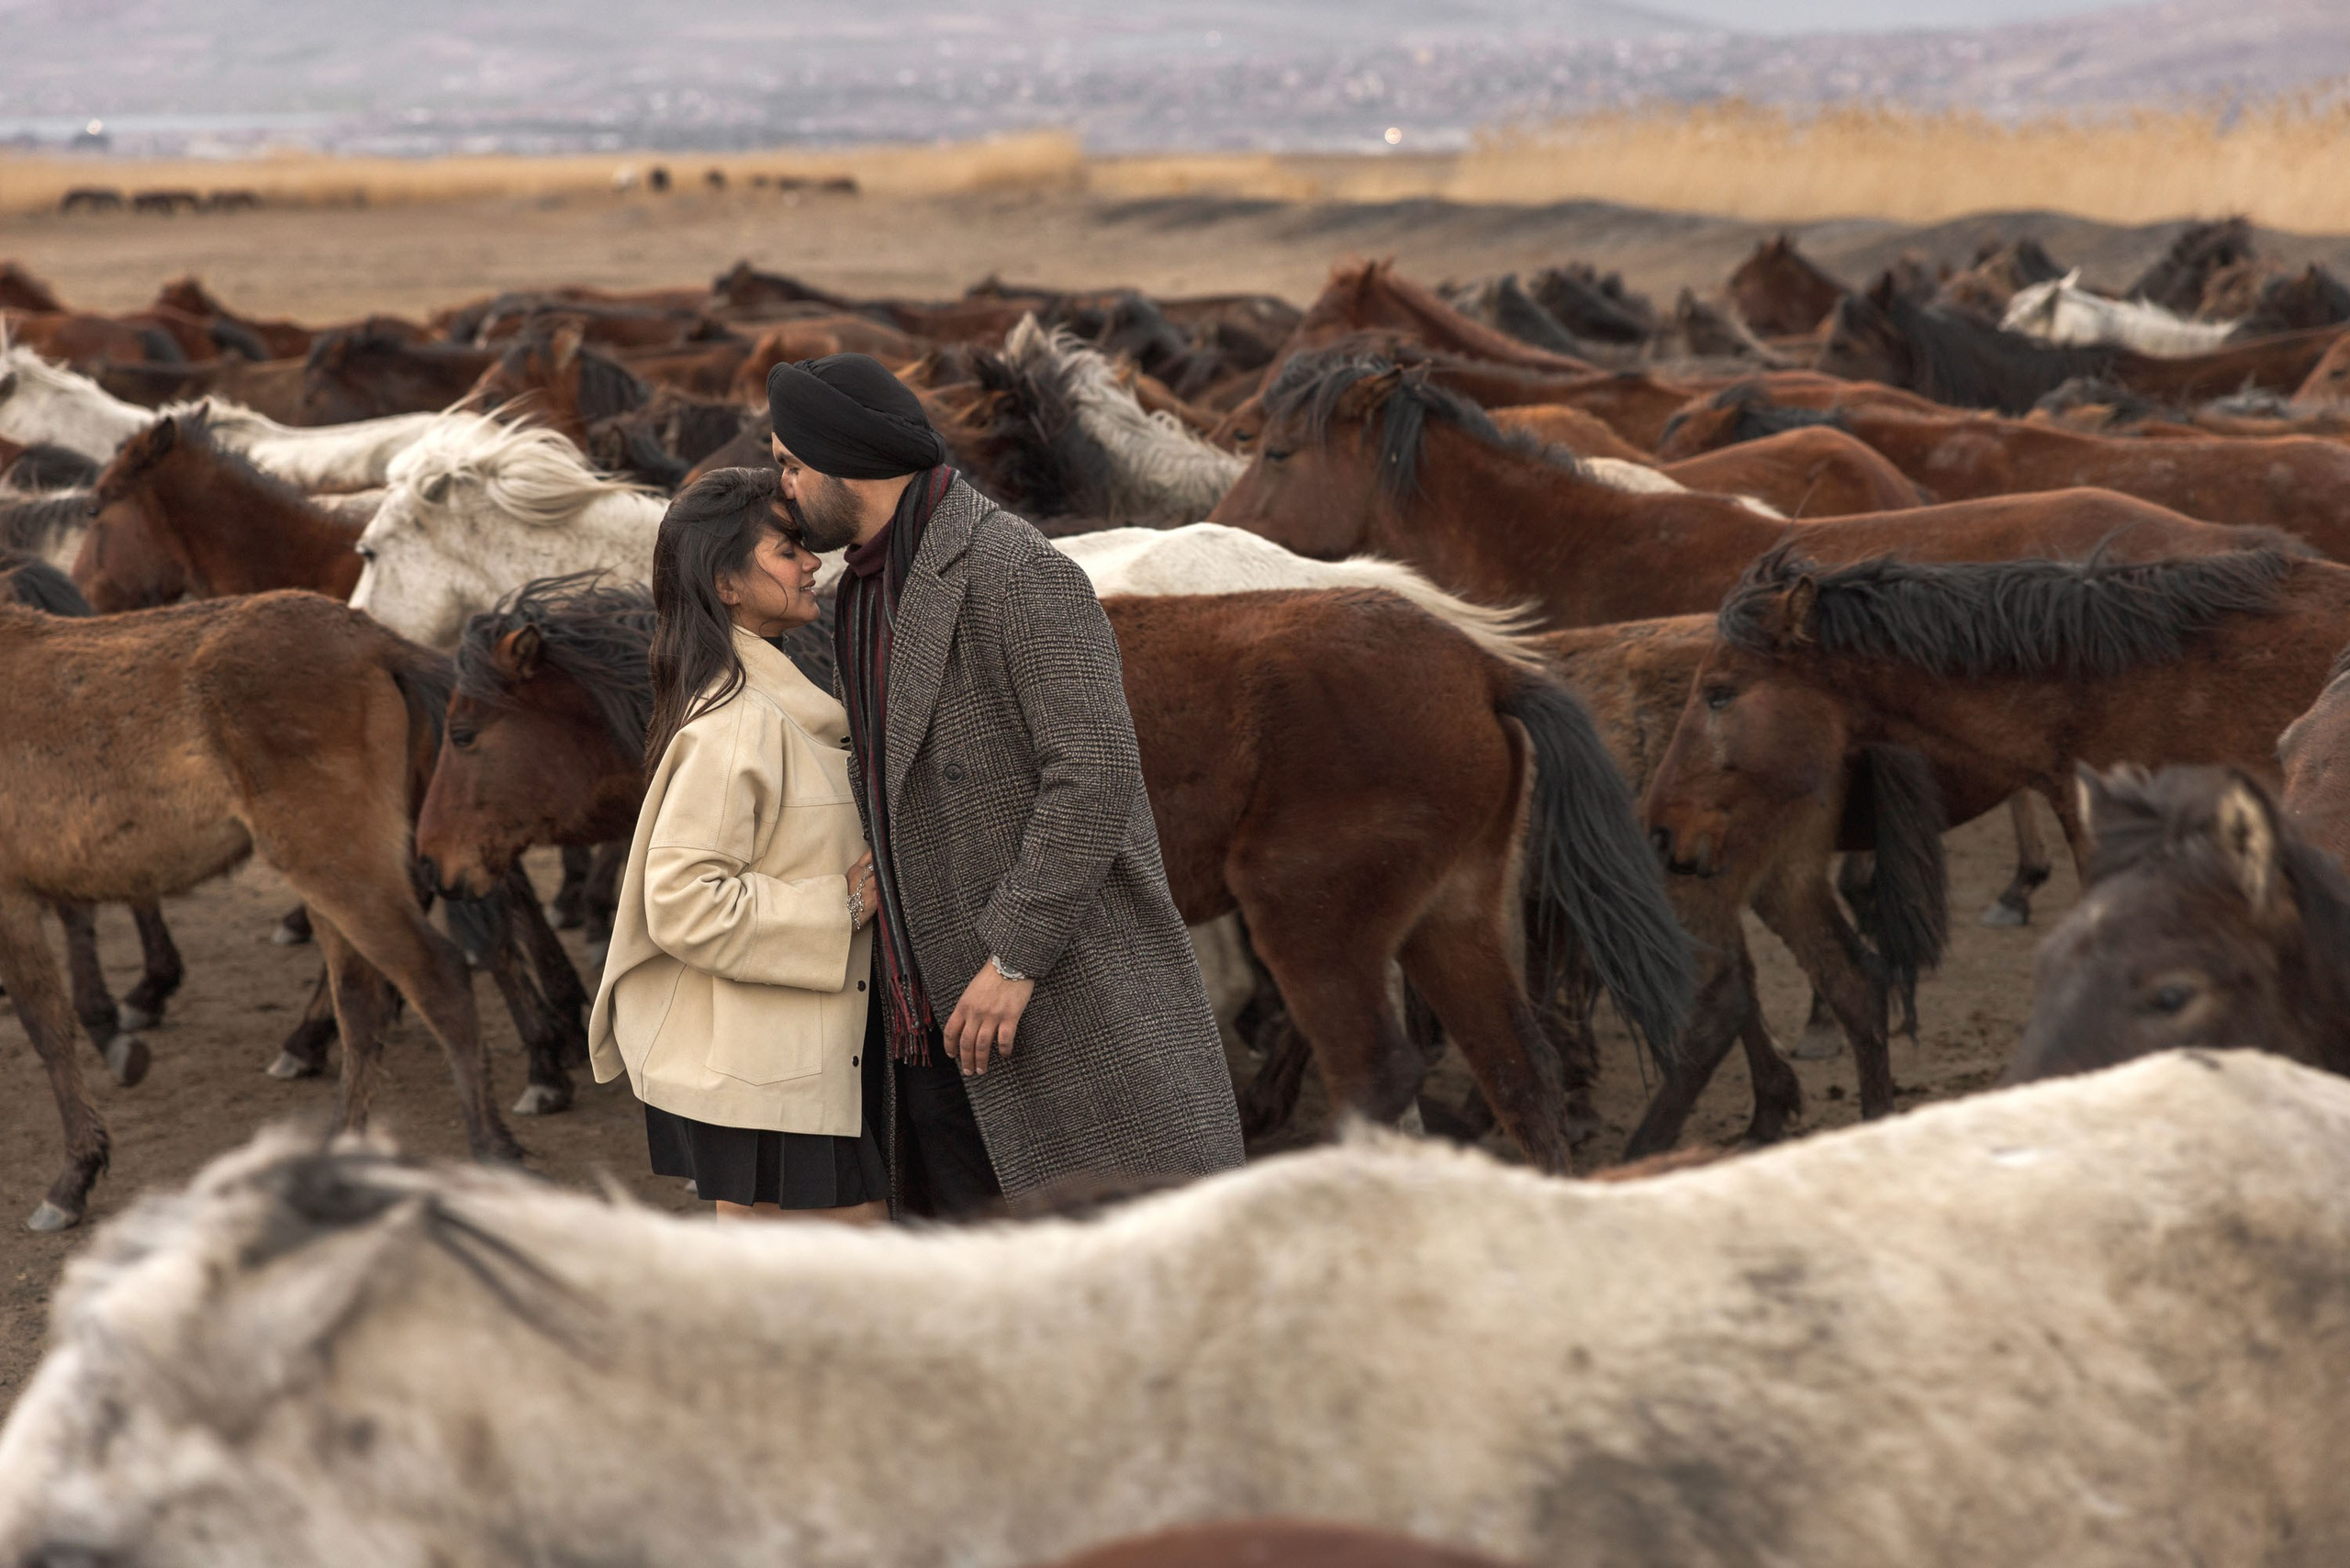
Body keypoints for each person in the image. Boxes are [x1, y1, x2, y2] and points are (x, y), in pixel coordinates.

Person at [766, 353, 1244, 1215]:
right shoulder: (860, 593)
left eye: (791, 465)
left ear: (847, 462)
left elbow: (1093, 771)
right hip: (926, 1016)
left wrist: (1014, 957)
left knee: (1122, 1254)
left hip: (1059, 997)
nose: (784, 490)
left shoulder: (1014, 568)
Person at [588, 466, 889, 1223]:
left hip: (779, 1061)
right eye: (787, 551)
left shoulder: (762, 701)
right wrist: (848, 902)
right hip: (779, 1070)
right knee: (853, 1267)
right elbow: (684, 903)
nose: (812, 562)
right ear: (726, 584)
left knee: (764, 1275)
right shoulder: (736, 724)